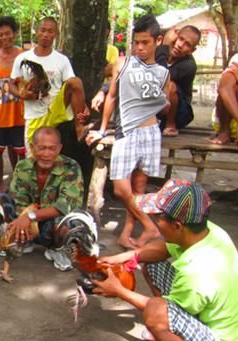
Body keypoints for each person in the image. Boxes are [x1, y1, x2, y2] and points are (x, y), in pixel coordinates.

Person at [93, 179, 238, 341]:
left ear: (177, 225)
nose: (155, 222)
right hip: (205, 319)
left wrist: (118, 290)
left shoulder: (198, 271)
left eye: (158, 218)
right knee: (154, 265)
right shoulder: (207, 232)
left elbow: (156, 309)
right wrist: (125, 257)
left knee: (156, 313)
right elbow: (162, 248)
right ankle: (171, 334)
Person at [85, 15, 170, 250]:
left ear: (158, 41)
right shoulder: (122, 64)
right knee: (121, 189)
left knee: (139, 189)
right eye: (137, 42)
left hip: (151, 132)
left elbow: (164, 106)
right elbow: (111, 96)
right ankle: (149, 226)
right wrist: (102, 130)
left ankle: (127, 233)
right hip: (126, 132)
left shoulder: (161, 72)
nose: (140, 48)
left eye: (145, 42)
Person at [0, 126, 83, 271]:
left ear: (59, 148)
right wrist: (23, 223)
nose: (46, 154)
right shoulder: (23, 166)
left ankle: (57, 248)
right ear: (32, 147)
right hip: (29, 219)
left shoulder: (71, 167)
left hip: (51, 223)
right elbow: (18, 199)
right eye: (42, 148)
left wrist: (30, 216)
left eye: (52, 148)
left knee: (67, 222)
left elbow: (64, 206)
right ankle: (21, 240)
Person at [9, 17, 88, 150]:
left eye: (50, 31)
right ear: (37, 32)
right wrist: (23, 95)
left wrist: (83, 105)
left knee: (76, 81)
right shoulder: (22, 58)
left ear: (56, 34)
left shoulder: (62, 60)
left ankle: (79, 127)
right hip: (34, 113)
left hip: (56, 108)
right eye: (43, 30)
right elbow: (11, 85)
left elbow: (72, 86)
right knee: (33, 158)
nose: (46, 34)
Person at [0, 16, 25, 192]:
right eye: (0, 35)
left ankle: (19, 179)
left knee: (18, 149)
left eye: (7, 33)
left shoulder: (23, 55)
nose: (4, 38)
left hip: (18, 109)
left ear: (14, 34)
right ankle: (1, 182)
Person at [155, 26, 200, 137]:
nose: (180, 45)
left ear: (192, 50)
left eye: (187, 44)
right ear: (175, 35)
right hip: (155, 106)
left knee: (170, 85)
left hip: (180, 113)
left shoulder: (189, 65)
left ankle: (171, 125)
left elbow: (161, 76)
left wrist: (165, 44)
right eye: (180, 39)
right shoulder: (160, 52)